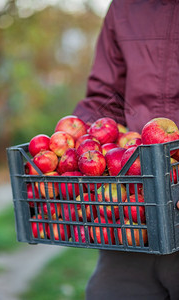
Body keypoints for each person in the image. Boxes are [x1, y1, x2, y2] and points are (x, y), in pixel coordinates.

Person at [73, 1, 179, 299]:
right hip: (135, 198)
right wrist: (73, 142)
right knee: (110, 291)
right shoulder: (125, 7)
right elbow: (105, 97)